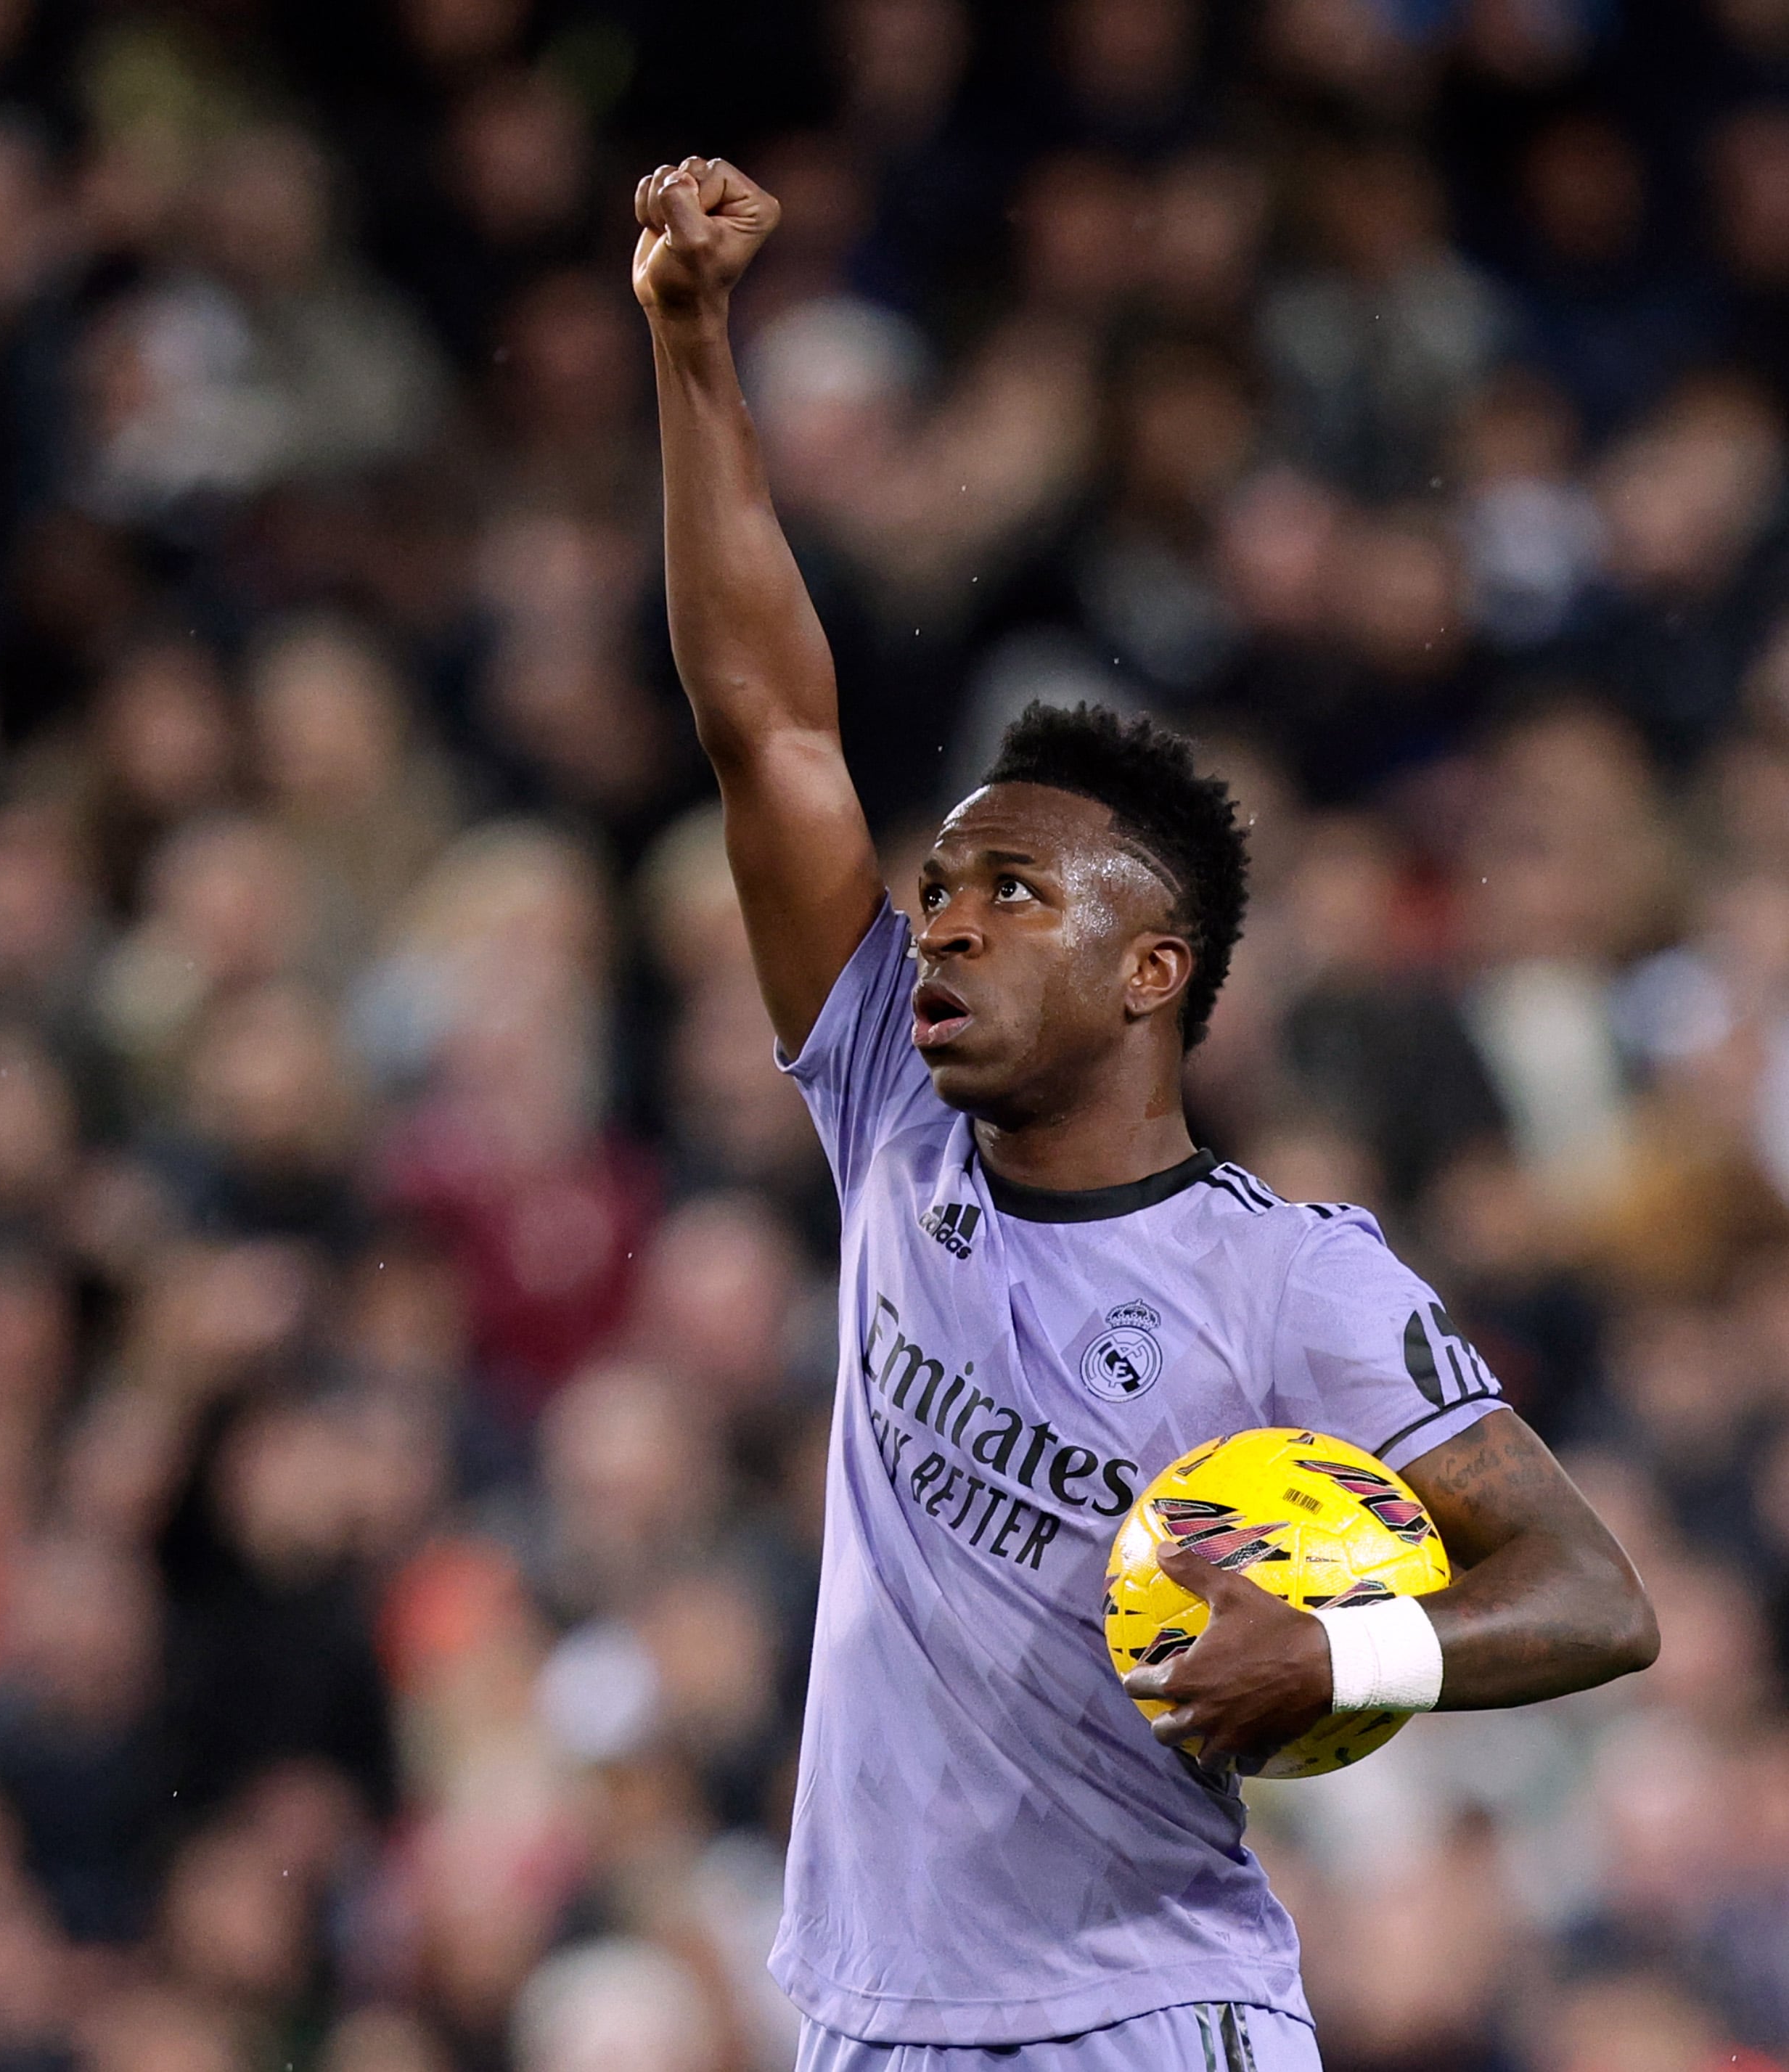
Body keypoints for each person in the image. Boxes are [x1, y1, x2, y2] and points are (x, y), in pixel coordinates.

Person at [629, 157, 1662, 2071]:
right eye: (932, 887)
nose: (936, 921)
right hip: (860, 2023)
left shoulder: (1286, 1283)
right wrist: (690, 344)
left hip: (1140, 2020)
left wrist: (1341, 1653)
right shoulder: (884, 1111)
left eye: (1006, 892)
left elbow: (1594, 1598)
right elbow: (764, 721)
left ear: (1147, 970)